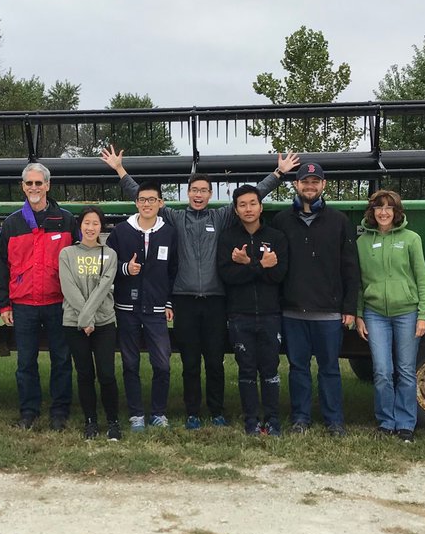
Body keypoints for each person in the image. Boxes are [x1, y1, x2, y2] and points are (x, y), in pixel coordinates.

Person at [100, 146, 298, 428]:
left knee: (215, 361)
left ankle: (217, 412)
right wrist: (120, 170)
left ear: (210, 195)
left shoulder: (221, 217)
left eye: (204, 190)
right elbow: (146, 199)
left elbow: (251, 199)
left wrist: (278, 173)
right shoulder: (175, 218)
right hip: (185, 300)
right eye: (194, 190)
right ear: (187, 193)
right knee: (191, 362)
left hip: (216, 301)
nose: (199, 195)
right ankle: (193, 412)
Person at [270, 161, 361, 436]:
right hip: (293, 311)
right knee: (298, 368)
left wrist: (348, 307)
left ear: (323, 185)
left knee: (330, 369)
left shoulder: (339, 220)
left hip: (329, 312)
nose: (309, 186)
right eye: (304, 181)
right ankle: (300, 418)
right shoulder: (281, 221)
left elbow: (350, 267)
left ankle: (334, 420)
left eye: (315, 182)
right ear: (296, 185)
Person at [0, 162, 79, 430]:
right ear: (23, 186)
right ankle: (28, 411)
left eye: (38, 183)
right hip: (24, 304)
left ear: (48, 186)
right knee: (25, 361)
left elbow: (78, 261)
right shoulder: (12, 223)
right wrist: (3, 305)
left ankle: (59, 412)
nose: (34, 188)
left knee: (62, 359)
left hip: (58, 302)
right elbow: (1, 266)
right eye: (29, 183)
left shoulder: (66, 220)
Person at [354, 189, 425, 442]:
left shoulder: (411, 239)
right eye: (378, 207)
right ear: (372, 212)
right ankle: (386, 421)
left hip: (407, 312)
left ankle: (406, 423)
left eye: (389, 207)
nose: (383, 212)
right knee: (382, 371)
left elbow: (421, 278)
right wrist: (359, 314)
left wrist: (423, 314)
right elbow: (359, 281)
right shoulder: (362, 242)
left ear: (397, 212)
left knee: (406, 370)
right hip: (375, 314)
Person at [217, 185, 289, 436]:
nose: (248, 209)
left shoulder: (277, 237)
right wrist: (259, 266)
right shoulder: (227, 238)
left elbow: (279, 275)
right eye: (242, 205)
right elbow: (227, 276)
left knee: (270, 369)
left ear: (261, 206)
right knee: (246, 369)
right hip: (239, 314)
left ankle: (272, 420)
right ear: (236, 210)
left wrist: (248, 264)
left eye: (252, 203)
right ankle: (251, 421)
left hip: (270, 314)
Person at [106, 181, 178, 430]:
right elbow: (108, 266)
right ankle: (136, 414)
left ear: (161, 203)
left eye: (152, 200)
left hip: (157, 309)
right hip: (127, 308)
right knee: (130, 363)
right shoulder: (121, 232)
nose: (147, 204)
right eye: (142, 200)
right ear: (136, 203)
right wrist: (127, 268)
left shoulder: (168, 232)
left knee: (162, 363)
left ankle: (158, 413)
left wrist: (169, 301)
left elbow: (173, 270)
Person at [59, 206, 122, 441]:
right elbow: (68, 287)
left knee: (106, 373)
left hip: (104, 322)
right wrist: (84, 319)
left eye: (95, 223)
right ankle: (90, 421)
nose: (90, 227)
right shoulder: (67, 253)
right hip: (74, 323)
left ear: (100, 227)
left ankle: (113, 421)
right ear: (80, 225)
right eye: (87, 222)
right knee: (85, 373)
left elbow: (103, 288)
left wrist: (89, 318)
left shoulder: (110, 254)